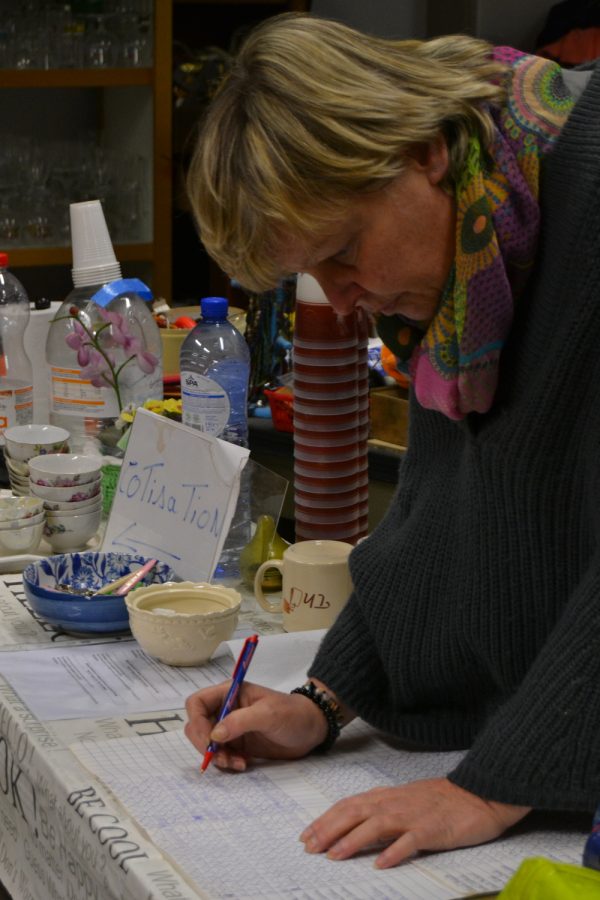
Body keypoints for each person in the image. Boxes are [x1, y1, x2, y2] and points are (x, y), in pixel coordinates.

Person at [184, 13, 600, 869]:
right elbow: (443, 507)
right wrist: (325, 700)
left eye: (344, 252)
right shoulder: (476, 246)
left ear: (422, 152)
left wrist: (493, 785)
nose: (341, 301)